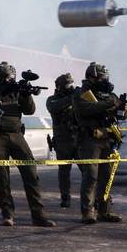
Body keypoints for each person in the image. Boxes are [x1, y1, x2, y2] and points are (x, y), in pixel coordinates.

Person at [0, 62, 55, 228]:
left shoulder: (17, 92)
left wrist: (25, 94)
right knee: (2, 179)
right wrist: (2, 91)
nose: (9, 80)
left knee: (31, 174)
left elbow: (29, 110)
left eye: (11, 78)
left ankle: (38, 215)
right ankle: (7, 214)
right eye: (6, 77)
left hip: (17, 136)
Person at [73, 62, 127, 224]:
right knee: (91, 177)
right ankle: (87, 212)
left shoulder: (109, 94)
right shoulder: (82, 93)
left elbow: (123, 115)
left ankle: (104, 211)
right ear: (92, 77)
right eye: (102, 76)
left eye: (106, 76)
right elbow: (86, 109)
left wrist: (122, 108)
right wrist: (109, 104)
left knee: (106, 176)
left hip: (107, 139)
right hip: (89, 140)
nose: (105, 79)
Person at [46, 73, 80, 208]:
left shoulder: (76, 98)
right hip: (62, 142)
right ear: (60, 87)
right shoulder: (52, 99)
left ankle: (92, 199)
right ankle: (65, 198)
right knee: (64, 172)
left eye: (71, 83)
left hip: (78, 140)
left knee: (87, 170)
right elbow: (55, 107)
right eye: (67, 84)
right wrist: (72, 97)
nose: (70, 86)